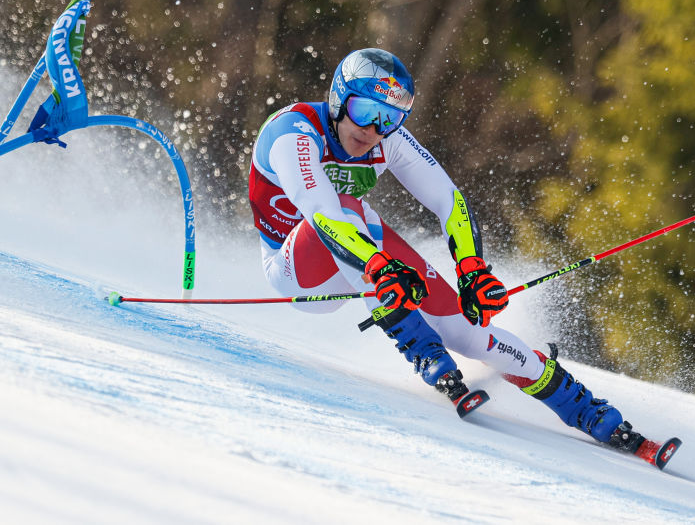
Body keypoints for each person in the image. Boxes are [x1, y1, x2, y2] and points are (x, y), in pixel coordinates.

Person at [248, 48, 645, 451]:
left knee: (467, 329)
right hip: (296, 273)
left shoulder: (389, 141)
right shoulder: (293, 133)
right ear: (338, 98)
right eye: (366, 110)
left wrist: (471, 269)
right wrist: (377, 265)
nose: (373, 130)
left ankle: (587, 411)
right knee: (348, 208)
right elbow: (322, 213)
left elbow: (448, 200)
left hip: (362, 262)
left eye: (390, 118)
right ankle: (425, 352)